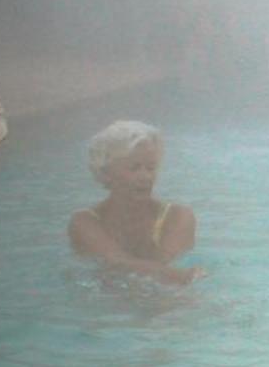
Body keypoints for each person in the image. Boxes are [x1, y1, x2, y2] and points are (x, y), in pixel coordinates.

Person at [68, 120, 204, 285]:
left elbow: (160, 271)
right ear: (106, 173)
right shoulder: (84, 222)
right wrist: (183, 276)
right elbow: (117, 262)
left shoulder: (178, 217)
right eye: (134, 168)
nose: (145, 177)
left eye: (151, 168)